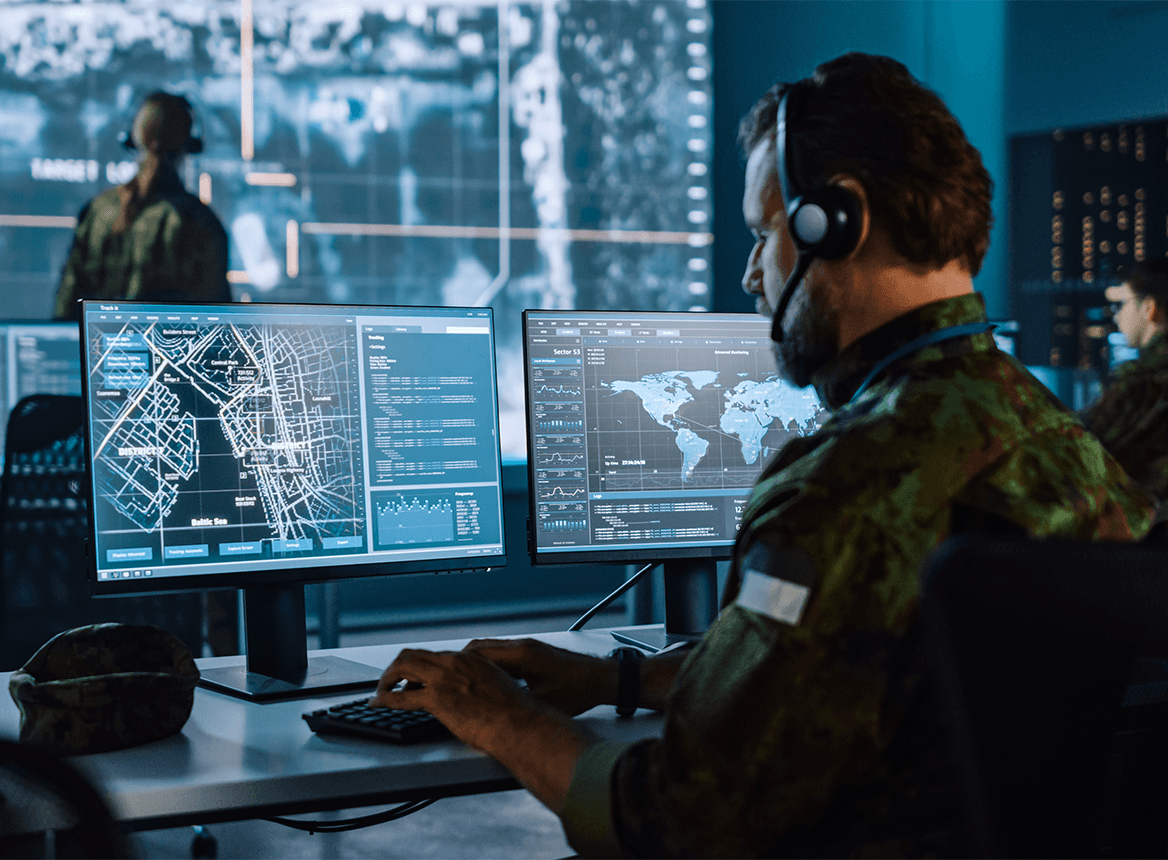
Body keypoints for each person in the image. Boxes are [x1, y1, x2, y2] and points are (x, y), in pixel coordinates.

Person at [372, 53, 1157, 857]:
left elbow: (677, 820)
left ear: (837, 220)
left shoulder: (842, 490)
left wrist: (495, 712)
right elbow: (856, 665)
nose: (752, 272)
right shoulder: (1069, 446)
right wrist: (622, 680)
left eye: (762, 232)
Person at [53, 91, 230, 321]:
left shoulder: (98, 212)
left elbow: (66, 308)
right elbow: (217, 323)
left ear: (134, 138)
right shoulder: (201, 222)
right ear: (188, 144)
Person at [1081, 260, 1168, 500]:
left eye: (1121, 304)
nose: (1117, 316)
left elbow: (1084, 444)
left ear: (1149, 307)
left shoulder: (1141, 381)